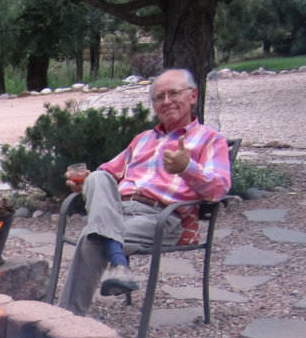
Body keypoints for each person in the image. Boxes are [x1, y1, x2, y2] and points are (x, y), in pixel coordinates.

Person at [58, 67, 232, 316]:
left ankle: (67, 319)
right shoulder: (142, 140)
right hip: (118, 211)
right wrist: (83, 182)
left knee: (92, 236)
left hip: (160, 218)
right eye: (159, 97)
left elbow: (218, 189)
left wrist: (187, 167)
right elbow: (107, 173)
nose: (167, 101)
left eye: (174, 94)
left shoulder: (210, 139)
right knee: (97, 177)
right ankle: (119, 264)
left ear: (193, 96)